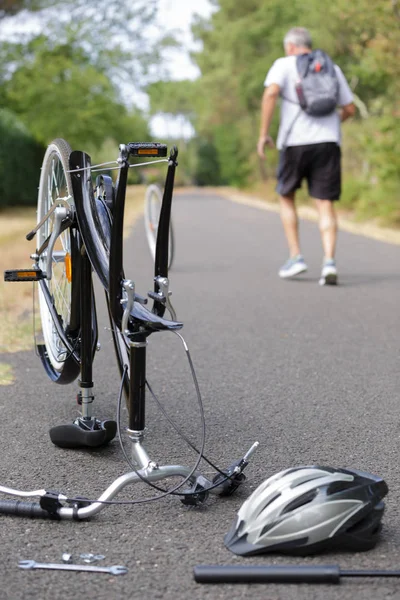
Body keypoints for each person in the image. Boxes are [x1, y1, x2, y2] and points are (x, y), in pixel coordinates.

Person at [257, 27, 355, 285]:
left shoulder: (283, 64)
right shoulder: (331, 67)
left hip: (294, 142)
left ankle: (296, 256)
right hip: (328, 141)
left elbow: (270, 93)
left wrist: (264, 133)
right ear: (308, 45)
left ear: (290, 46)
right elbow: (350, 108)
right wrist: (334, 123)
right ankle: (329, 263)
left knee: (286, 196)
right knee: (325, 203)